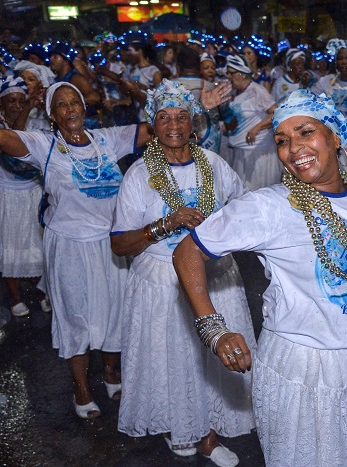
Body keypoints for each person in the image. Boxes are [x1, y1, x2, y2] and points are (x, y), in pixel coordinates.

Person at [173, 89, 347, 465]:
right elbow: (187, 250)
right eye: (282, 141)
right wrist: (213, 328)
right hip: (298, 372)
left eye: (305, 132)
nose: (294, 148)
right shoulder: (269, 207)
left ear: (336, 136)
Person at [111, 80, 253, 466]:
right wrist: (165, 224)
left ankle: (205, 433)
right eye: (163, 117)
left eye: (181, 116)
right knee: (177, 360)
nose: (173, 124)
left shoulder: (215, 165)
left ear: (193, 123)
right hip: (162, 281)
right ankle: (187, 428)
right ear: (153, 126)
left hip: (217, 278)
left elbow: (246, 213)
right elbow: (120, 244)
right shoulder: (139, 175)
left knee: (210, 359)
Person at [0, 81, 153, 418]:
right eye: (61, 105)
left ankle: (110, 372)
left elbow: (160, 126)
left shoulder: (107, 139)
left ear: (83, 107)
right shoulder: (44, 145)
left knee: (114, 311)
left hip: (110, 244)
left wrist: (167, 101)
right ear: (52, 115)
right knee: (74, 315)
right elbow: (2, 138)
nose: (70, 109)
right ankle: (80, 387)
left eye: (75, 102)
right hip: (67, 244)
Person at [0, 76, 48, 318]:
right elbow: (12, 147)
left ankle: (44, 291)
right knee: (9, 245)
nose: (16, 105)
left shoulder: (36, 124)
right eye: (11, 100)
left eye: (20, 101)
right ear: (0, 102)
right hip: (5, 195)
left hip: (32, 193)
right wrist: (26, 110)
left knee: (38, 247)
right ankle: (15, 297)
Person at [222, 55, 278, 191]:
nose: (228, 76)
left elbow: (276, 113)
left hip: (259, 154)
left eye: (231, 73)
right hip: (241, 152)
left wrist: (257, 128)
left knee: (258, 194)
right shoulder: (234, 93)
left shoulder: (257, 91)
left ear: (241, 73)